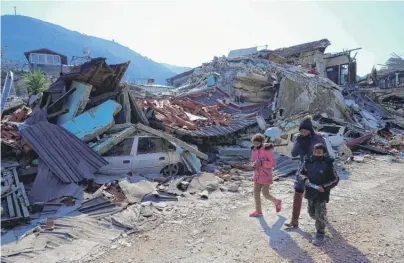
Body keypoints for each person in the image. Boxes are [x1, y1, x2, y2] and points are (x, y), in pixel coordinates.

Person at [285, 116, 325, 228]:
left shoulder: (318, 138)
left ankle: (320, 223)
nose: (303, 133)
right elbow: (293, 154)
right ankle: (294, 220)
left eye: (305, 131)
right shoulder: (299, 138)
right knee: (298, 192)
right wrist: (298, 142)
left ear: (310, 130)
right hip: (302, 167)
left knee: (316, 197)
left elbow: (324, 152)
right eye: (301, 131)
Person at [298, 143, 339, 245]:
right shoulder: (308, 161)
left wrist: (324, 187)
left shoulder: (328, 164)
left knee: (319, 214)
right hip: (310, 191)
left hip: (321, 193)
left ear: (324, 153)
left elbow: (335, 179)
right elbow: (300, 173)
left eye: (319, 152)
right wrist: (304, 179)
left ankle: (320, 233)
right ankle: (322, 219)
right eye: (315, 152)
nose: (316, 154)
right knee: (311, 213)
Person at [249, 133, 282, 217]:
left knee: (265, 194)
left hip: (266, 175)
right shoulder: (254, 150)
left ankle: (277, 201)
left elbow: (272, 163)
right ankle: (258, 211)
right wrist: (253, 164)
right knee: (256, 193)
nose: (255, 145)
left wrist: (262, 162)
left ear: (262, 142)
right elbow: (252, 160)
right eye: (254, 143)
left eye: (257, 143)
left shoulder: (267, 150)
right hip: (257, 174)